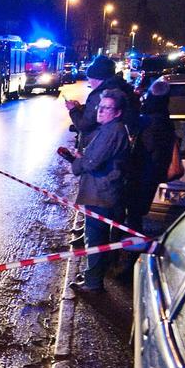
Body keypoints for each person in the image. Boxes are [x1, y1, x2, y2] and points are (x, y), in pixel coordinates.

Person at [59, 89, 131, 294]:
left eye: (108, 108)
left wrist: (77, 163)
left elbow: (92, 162)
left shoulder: (112, 131)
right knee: (96, 236)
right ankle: (93, 275)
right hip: (102, 190)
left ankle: (93, 283)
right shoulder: (110, 129)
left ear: (117, 112)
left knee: (95, 238)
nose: (101, 111)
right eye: (101, 106)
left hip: (101, 193)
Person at [124, 79, 178, 233]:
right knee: (136, 214)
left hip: (142, 175)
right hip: (150, 174)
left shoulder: (151, 121)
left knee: (134, 215)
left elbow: (147, 150)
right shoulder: (164, 118)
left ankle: (132, 251)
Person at [67, 57, 133, 148]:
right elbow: (93, 113)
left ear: (97, 78)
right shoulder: (117, 87)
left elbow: (84, 124)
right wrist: (80, 108)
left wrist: (73, 110)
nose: (89, 82)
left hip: (98, 142)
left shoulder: (102, 95)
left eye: (89, 78)